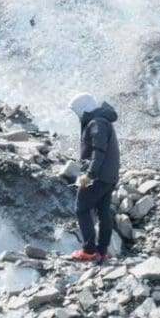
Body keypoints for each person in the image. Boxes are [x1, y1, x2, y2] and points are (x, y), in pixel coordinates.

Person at [68, 94, 120, 263]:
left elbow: (99, 151)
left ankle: (89, 250)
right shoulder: (103, 121)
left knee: (81, 208)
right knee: (103, 211)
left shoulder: (96, 122)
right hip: (109, 175)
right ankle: (102, 251)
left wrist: (89, 174)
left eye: (77, 111)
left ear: (84, 108)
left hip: (97, 175)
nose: (77, 115)